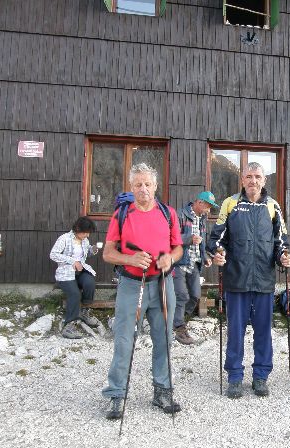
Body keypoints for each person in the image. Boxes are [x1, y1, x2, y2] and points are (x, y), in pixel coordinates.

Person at [101, 163, 184, 420]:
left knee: (164, 338)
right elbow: (107, 253)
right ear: (131, 187)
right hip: (130, 284)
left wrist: (170, 258)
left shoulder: (168, 213)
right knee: (124, 338)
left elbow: (178, 248)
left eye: (147, 184)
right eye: (138, 184)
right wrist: (130, 259)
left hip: (162, 283)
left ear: (155, 186)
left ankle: (162, 390)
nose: (143, 189)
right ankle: (116, 394)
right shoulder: (122, 214)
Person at [208, 162, 290, 399]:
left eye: (257, 177)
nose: (253, 181)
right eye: (248, 177)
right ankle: (235, 376)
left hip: (264, 281)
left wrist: (284, 257)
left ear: (264, 180)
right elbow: (217, 238)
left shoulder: (273, 206)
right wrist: (217, 253)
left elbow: (281, 241)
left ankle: (261, 376)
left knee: (264, 331)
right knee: (235, 331)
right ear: (242, 180)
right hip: (236, 279)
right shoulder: (230, 203)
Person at [172, 191, 218, 344]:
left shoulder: (202, 219)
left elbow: (202, 242)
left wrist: (204, 256)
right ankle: (179, 328)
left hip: (194, 263)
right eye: (208, 207)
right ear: (200, 203)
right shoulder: (180, 215)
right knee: (182, 295)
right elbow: (171, 237)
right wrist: (189, 239)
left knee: (195, 296)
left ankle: (176, 319)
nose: (209, 211)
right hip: (179, 262)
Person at [49, 216, 101, 339]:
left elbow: (86, 253)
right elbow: (53, 254)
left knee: (90, 283)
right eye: (85, 232)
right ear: (77, 228)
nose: (87, 235)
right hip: (66, 273)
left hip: (80, 270)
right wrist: (72, 261)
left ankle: (85, 312)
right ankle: (69, 325)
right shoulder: (64, 239)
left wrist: (93, 250)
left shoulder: (84, 240)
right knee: (75, 294)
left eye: (89, 233)